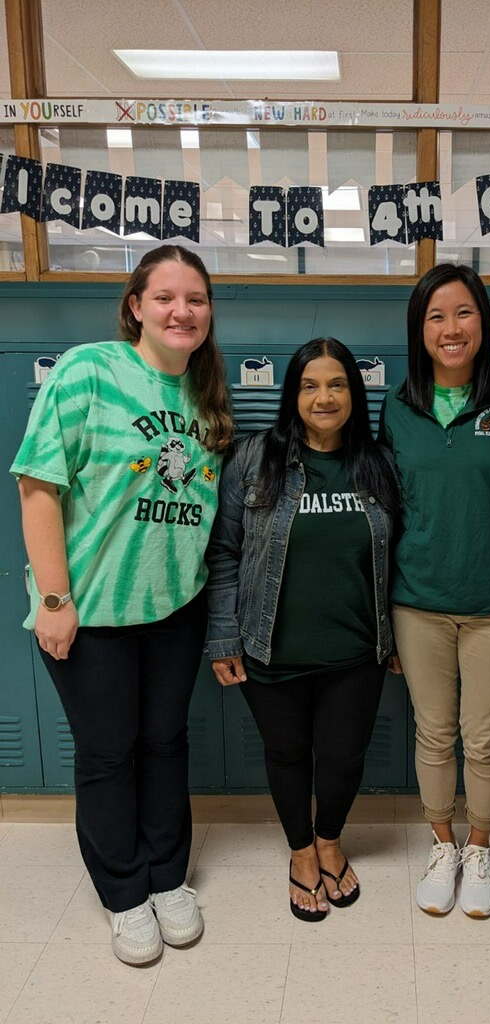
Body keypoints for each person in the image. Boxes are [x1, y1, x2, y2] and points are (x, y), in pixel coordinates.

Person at [11, 245, 234, 966]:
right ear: (136, 305)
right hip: (93, 613)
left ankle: (169, 876)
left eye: (195, 299)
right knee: (109, 756)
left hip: (175, 607)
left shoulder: (205, 396)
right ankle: (123, 892)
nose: (181, 311)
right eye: (165, 297)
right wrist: (54, 599)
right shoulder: (89, 371)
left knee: (166, 744)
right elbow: (38, 485)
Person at [206, 337, 400, 922]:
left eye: (337, 384)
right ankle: (301, 853)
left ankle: (331, 839)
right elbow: (223, 553)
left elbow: (405, 553)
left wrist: (400, 635)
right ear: (292, 394)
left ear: (354, 393)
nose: (324, 397)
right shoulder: (253, 458)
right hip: (271, 646)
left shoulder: (379, 462)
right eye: (310, 385)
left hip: (356, 648)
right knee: (287, 753)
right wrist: (223, 637)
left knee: (343, 757)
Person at [379, 263, 490, 917]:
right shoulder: (397, 407)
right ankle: (441, 843)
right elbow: (388, 503)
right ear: (419, 330)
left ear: (482, 321)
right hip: (418, 600)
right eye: (436, 316)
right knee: (433, 733)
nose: (451, 329)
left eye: (464, 313)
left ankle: (480, 848)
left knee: (482, 737)